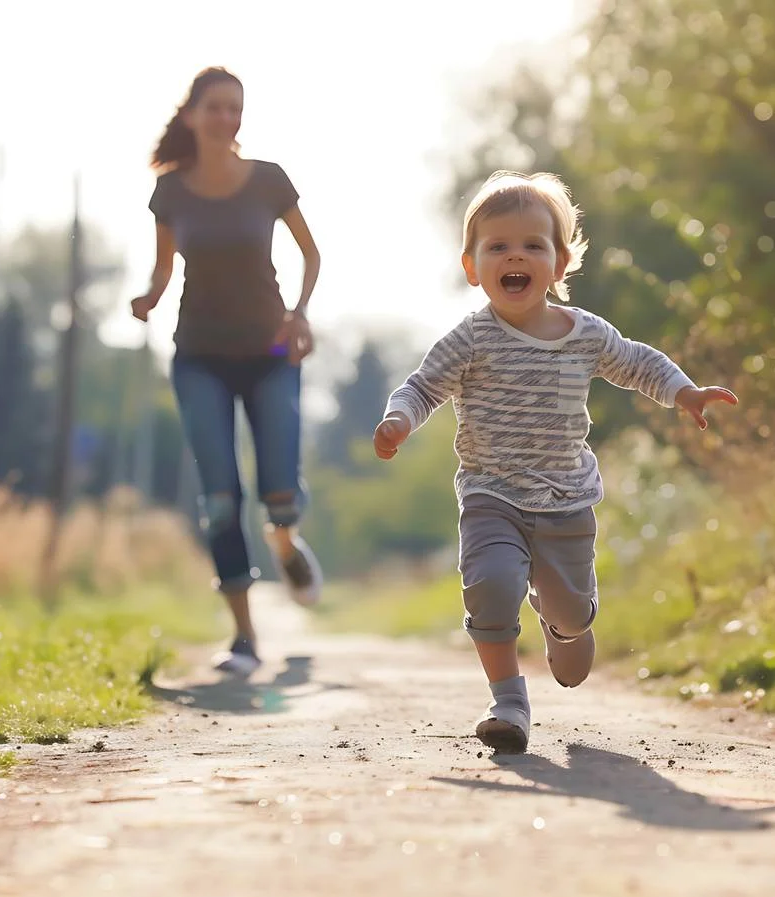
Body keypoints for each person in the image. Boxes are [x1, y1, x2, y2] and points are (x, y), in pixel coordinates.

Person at [373, 170, 738, 753]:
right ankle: (508, 703)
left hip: (567, 498)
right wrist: (399, 422)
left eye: (532, 245)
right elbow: (421, 388)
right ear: (472, 267)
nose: (514, 256)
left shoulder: (584, 334)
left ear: (560, 263)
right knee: (490, 584)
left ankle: (566, 617)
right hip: (490, 493)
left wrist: (685, 392)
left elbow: (639, 363)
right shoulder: (469, 340)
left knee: (570, 637)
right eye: (497, 246)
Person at [130, 66, 324, 678]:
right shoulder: (171, 192)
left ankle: (286, 541)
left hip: (270, 353)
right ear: (192, 115)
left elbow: (310, 252)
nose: (227, 118)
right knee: (219, 498)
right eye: (215, 107)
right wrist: (148, 299)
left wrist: (299, 314)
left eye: (235, 108)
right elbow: (164, 269)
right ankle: (244, 638)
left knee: (278, 491)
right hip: (199, 357)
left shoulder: (268, 181)